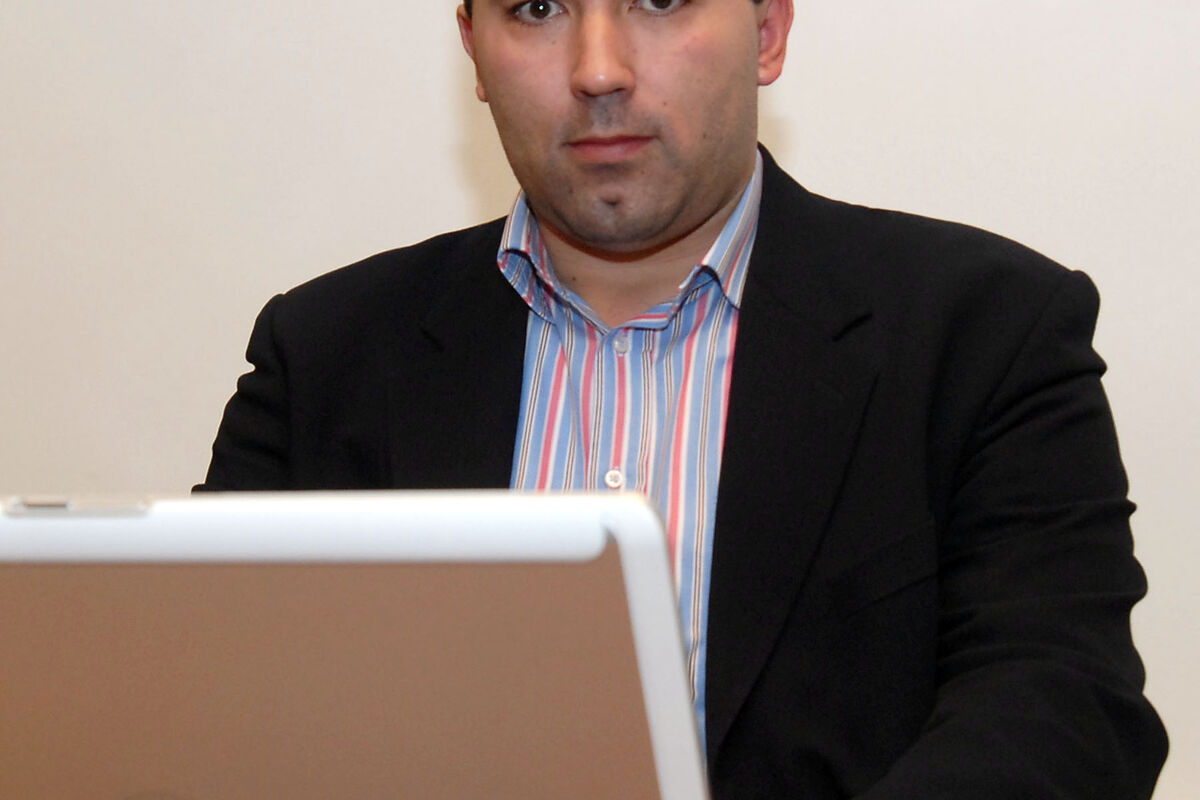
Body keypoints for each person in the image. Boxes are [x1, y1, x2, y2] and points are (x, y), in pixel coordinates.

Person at [197, 0, 1167, 796]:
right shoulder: (323, 355)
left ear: (769, 30)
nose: (598, 69)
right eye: (536, 8)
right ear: (473, 49)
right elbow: (201, 713)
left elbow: (1065, 712)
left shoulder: (988, 335)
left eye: (659, 1)